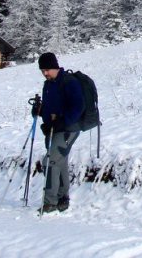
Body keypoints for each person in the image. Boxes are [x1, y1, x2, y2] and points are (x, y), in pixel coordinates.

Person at [36, 52, 84, 213]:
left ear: (55, 67)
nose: (45, 73)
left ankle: (50, 201)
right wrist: (39, 111)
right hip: (53, 130)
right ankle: (63, 198)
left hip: (69, 129)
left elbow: (78, 107)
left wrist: (62, 122)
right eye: (42, 70)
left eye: (47, 69)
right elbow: (49, 108)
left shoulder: (69, 82)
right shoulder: (48, 84)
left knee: (50, 162)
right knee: (60, 162)